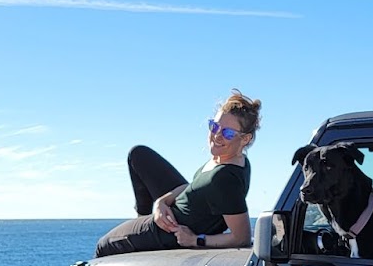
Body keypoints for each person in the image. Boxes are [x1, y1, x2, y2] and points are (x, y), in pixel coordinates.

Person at [94, 90, 261, 257]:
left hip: (170, 231)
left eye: (227, 133)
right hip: (179, 206)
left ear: (245, 139)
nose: (216, 135)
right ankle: (141, 218)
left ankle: (142, 236)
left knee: (103, 246)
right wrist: (163, 201)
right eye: (214, 126)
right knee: (138, 155)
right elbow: (195, 187)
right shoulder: (232, 159)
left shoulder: (225, 179)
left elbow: (242, 237)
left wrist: (195, 240)